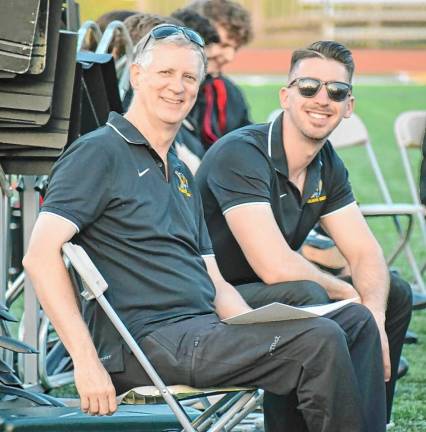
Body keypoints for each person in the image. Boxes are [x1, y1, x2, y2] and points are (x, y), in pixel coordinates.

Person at [23, 27, 386, 431]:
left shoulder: (179, 171)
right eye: (165, 73)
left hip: (202, 329)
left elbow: (215, 283)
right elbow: (39, 256)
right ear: (138, 76)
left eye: (189, 78)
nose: (177, 87)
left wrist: (262, 328)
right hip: (146, 342)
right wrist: (87, 361)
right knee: (318, 339)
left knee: (353, 320)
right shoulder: (98, 152)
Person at [195, 40, 412, 425]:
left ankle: (369, 422)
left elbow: (364, 252)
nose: (322, 99)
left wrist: (374, 314)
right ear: (286, 96)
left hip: (268, 292)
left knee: (393, 292)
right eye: (308, 87)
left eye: (337, 91)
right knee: (307, 293)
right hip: (211, 296)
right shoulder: (242, 154)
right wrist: (348, 294)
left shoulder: (327, 163)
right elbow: (274, 267)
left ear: (349, 106)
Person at [186, 0, 253, 149]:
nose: (229, 57)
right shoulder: (167, 91)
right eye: (223, 45)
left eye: (234, 48)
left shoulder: (230, 93)